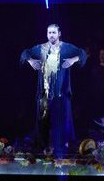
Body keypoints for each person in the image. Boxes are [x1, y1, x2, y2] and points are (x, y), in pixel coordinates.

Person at [20, 24, 87, 155]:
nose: (51, 35)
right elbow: (25, 53)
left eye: (54, 32)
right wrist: (31, 61)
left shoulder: (66, 47)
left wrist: (73, 60)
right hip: (44, 93)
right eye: (49, 33)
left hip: (61, 93)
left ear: (59, 34)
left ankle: (63, 150)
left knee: (62, 122)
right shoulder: (41, 48)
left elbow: (82, 53)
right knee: (43, 121)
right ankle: (43, 151)